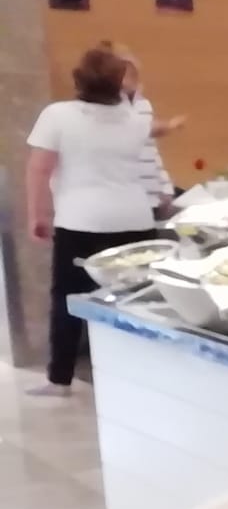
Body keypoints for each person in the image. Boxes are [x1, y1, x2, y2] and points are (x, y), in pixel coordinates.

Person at [22, 45, 180, 396]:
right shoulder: (134, 121)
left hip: (82, 221)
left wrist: (37, 214)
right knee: (136, 300)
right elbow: (153, 131)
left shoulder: (57, 116)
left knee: (68, 297)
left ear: (78, 80)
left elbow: (39, 169)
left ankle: (60, 379)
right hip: (135, 219)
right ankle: (143, 378)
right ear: (118, 83)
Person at [102, 41, 183, 219]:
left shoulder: (143, 104)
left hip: (152, 198)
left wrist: (165, 187)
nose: (130, 75)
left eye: (132, 71)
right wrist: (167, 126)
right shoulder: (104, 109)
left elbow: (151, 150)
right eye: (123, 70)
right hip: (122, 201)